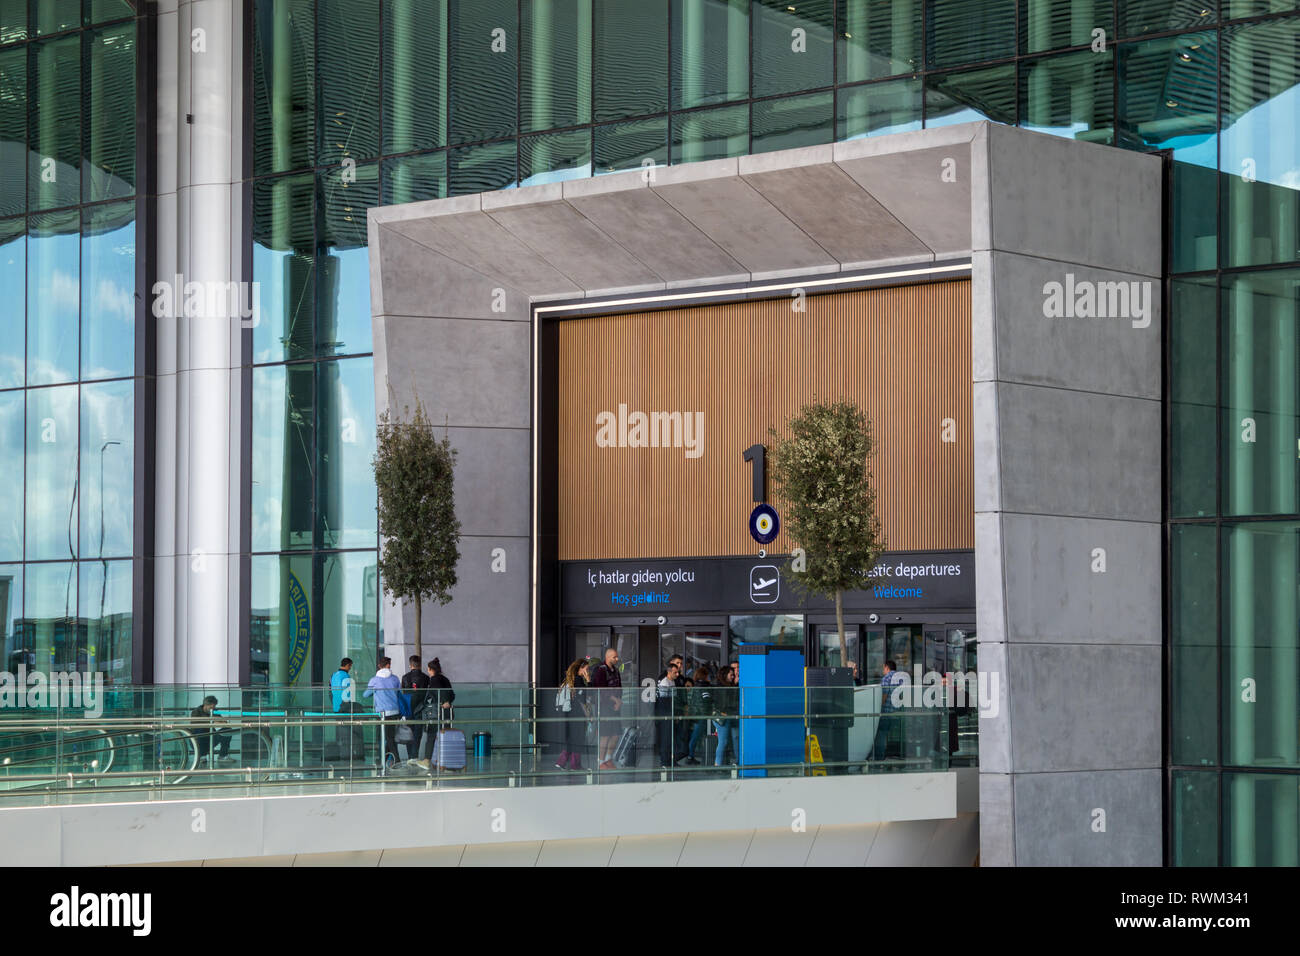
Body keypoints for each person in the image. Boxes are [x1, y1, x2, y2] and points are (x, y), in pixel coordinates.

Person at [364, 657, 402, 768]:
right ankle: (384, 759)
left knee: (385, 737)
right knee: (390, 737)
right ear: (389, 665)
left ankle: (395, 759)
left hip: (381, 713)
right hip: (395, 711)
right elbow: (400, 693)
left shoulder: (375, 680)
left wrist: (374, 691)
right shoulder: (395, 679)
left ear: (379, 666)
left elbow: (366, 695)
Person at [555, 658, 591, 771]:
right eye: (586, 668)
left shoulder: (568, 679)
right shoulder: (579, 679)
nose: (588, 671)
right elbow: (585, 696)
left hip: (568, 713)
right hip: (577, 713)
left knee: (572, 738)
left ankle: (561, 762)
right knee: (578, 739)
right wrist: (589, 681)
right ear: (581, 668)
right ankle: (575, 764)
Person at [590, 647, 623, 769]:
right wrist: (615, 700)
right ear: (608, 657)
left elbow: (619, 686)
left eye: (617, 656)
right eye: (614, 657)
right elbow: (601, 690)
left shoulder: (615, 670)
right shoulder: (601, 670)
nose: (617, 659)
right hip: (604, 707)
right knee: (605, 734)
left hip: (614, 707)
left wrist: (619, 701)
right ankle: (600, 761)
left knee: (615, 734)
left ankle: (608, 758)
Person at [330, 657, 365, 762]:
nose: (350, 668)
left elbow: (330, 692)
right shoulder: (346, 676)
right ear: (348, 665)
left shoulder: (333, 676)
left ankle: (341, 753)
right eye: (350, 666)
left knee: (340, 733)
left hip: (336, 707)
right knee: (348, 733)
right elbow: (349, 694)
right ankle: (348, 755)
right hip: (345, 708)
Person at [873, 659, 905, 763]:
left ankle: (879, 759)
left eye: (883, 668)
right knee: (890, 735)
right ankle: (895, 756)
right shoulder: (901, 679)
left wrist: (877, 708)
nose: (883, 671)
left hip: (886, 713)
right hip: (896, 713)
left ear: (887, 667)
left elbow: (884, 696)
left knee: (881, 736)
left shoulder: (886, 678)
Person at [400, 655, 430, 760]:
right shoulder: (426, 678)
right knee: (418, 734)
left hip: (408, 709)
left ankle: (410, 757)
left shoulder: (405, 677)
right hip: (420, 709)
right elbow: (427, 694)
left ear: (410, 665)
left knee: (409, 733)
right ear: (420, 665)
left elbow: (403, 693)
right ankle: (415, 755)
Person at [655, 659, 682, 767]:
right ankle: (664, 761)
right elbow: (664, 701)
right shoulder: (664, 683)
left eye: (678, 672)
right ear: (669, 672)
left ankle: (671, 759)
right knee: (666, 737)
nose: (677, 674)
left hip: (670, 712)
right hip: (665, 713)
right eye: (675, 672)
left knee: (671, 737)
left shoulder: (672, 682)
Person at [190, 695, 232, 763]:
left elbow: (221, 720)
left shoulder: (215, 711)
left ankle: (223, 755)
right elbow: (196, 724)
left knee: (227, 731)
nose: (212, 709)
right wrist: (213, 722)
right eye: (211, 707)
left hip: (211, 736)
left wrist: (222, 722)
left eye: (214, 706)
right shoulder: (196, 712)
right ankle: (201, 755)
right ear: (205, 705)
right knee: (201, 730)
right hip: (199, 738)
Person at [683, 667, 712, 765]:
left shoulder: (697, 686)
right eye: (708, 676)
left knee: (695, 736)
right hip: (701, 716)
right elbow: (705, 702)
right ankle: (690, 756)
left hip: (696, 715)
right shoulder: (704, 687)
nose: (709, 677)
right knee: (696, 736)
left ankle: (691, 756)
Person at [713, 667, 738, 767]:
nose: (732, 677)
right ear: (725, 675)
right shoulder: (721, 687)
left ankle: (737, 761)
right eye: (731, 674)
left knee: (735, 738)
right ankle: (717, 764)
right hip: (722, 717)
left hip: (729, 715)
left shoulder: (730, 686)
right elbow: (726, 703)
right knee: (723, 741)